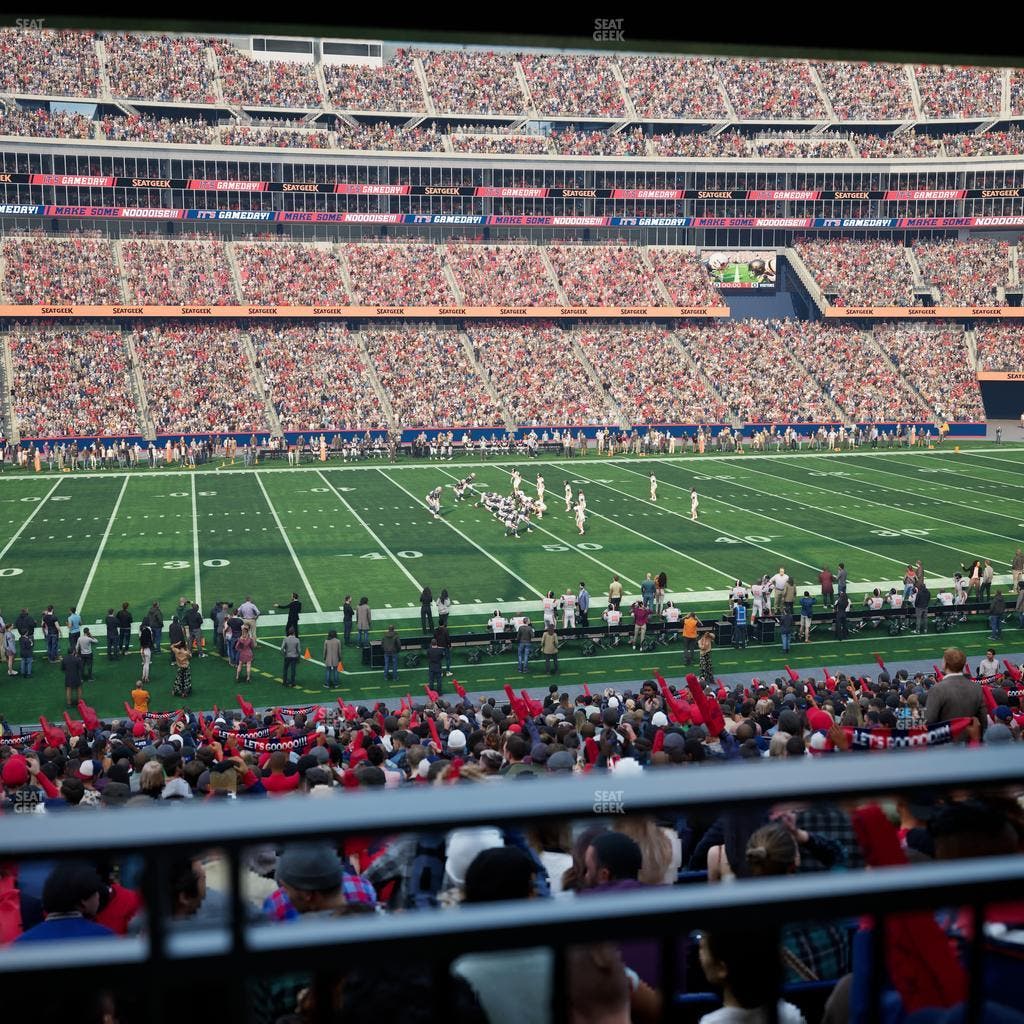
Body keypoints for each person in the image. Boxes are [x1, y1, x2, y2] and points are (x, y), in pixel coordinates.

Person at [13, 863, 114, 944]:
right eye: (96, 892)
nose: (99, 896)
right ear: (84, 900)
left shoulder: (22, 943)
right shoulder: (104, 937)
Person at [924, 648, 986, 737]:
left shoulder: (937, 689)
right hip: (971, 743)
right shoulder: (976, 687)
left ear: (945, 664)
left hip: (946, 742)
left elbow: (929, 720)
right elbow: (983, 720)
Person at [139, 618, 153, 683]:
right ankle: (146, 677)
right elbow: (151, 639)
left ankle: (143, 676)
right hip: (147, 649)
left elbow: (140, 638)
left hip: (142, 649)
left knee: (144, 664)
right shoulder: (148, 629)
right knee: (147, 664)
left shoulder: (140, 629)